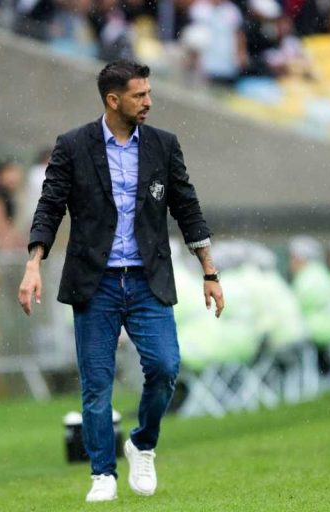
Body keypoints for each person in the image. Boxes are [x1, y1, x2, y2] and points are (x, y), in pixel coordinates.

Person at [18, 61, 224, 502]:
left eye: (149, 93)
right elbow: (49, 206)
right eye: (140, 95)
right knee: (97, 383)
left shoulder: (164, 147)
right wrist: (33, 263)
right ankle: (102, 474)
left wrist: (210, 271)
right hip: (96, 284)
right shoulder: (73, 146)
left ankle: (142, 444)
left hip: (149, 280)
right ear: (113, 100)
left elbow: (188, 209)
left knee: (166, 368)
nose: (149, 101)